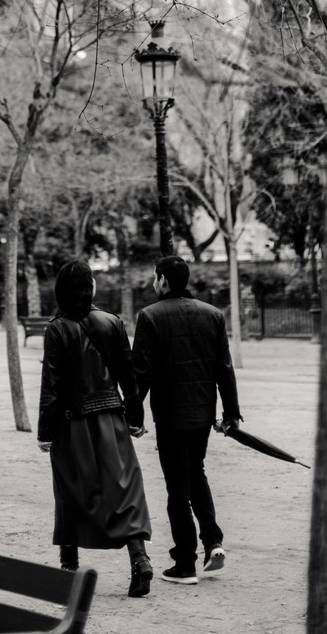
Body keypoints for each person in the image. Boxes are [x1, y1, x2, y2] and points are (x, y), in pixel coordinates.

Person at [37, 259, 154, 598]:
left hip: (72, 423)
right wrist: (135, 418)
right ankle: (139, 560)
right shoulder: (112, 322)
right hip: (112, 420)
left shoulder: (57, 328)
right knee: (125, 489)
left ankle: (68, 568)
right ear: (89, 287)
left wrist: (45, 432)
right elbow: (128, 377)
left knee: (71, 489)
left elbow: (51, 384)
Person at [132, 255, 242, 586]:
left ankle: (184, 563)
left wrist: (133, 416)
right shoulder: (212, 314)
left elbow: (141, 373)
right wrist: (231, 414)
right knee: (197, 474)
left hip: (170, 415)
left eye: (155, 277)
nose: (153, 282)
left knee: (177, 487)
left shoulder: (149, 316)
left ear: (164, 280)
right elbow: (224, 368)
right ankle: (213, 542)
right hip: (202, 413)